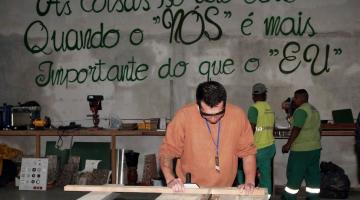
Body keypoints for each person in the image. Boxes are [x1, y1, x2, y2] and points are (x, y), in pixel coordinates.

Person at [159, 81, 257, 193]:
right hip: (189, 190)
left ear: (225, 104)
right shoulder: (183, 117)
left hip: (225, 190)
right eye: (207, 115)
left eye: (219, 114)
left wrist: (250, 181)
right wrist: (170, 179)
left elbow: (248, 152)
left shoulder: (238, 116)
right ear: (198, 105)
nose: (213, 119)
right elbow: (167, 152)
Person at [237, 83, 276, 199]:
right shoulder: (269, 108)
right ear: (265, 95)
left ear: (253, 96)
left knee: (241, 170)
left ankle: (243, 194)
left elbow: (251, 129)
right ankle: (266, 197)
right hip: (270, 147)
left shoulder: (254, 109)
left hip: (258, 148)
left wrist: (243, 146)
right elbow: (272, 128)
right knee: (265, 175)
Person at [281, 89, 321, 200]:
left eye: (296, 97)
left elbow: (296, 129)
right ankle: (313, 198)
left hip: (301, 150)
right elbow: (319, 129)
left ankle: (289, 197)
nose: (294, 99)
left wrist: (288, 145)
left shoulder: (301, 111)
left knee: (294, 175)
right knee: (312, 176)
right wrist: (288, 112)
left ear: (303, 98)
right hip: (315, 149)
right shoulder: (314, 110)